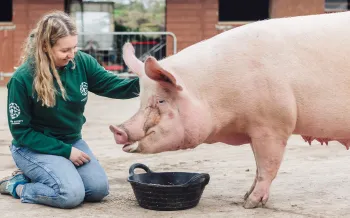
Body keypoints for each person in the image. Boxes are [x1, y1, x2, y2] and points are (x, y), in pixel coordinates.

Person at [0, 11, 139, 209]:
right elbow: (22, 133)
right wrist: (65, 152)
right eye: (65, 50)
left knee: (98, 190)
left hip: (70, 140)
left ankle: (47, 175)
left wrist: (150, 81)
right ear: (46, 47)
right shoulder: (22, 79)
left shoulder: (81, 62)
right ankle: (18, 186)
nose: (72, 54)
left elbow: (113, 85)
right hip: (33, 148)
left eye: (74, 47)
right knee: (69, 195)